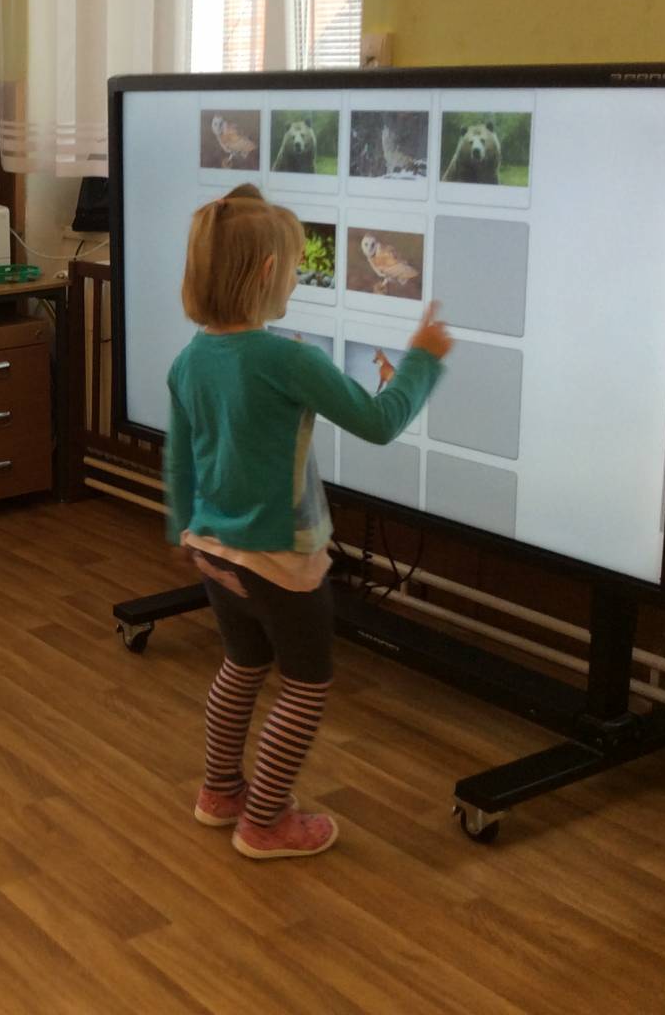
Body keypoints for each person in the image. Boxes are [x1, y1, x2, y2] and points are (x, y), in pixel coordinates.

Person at [166, 185, 452, 860]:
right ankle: (264, 822)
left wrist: (183, 531)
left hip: (211, 546)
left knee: (241, 664)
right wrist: (422, 359)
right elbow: (378, 422)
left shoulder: (189, 359)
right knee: (304, 684)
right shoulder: (290, 360)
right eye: (295, 267)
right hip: (279, 559)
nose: (297, 277)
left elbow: (179, 458)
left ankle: (219, 792)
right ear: (270, 272)